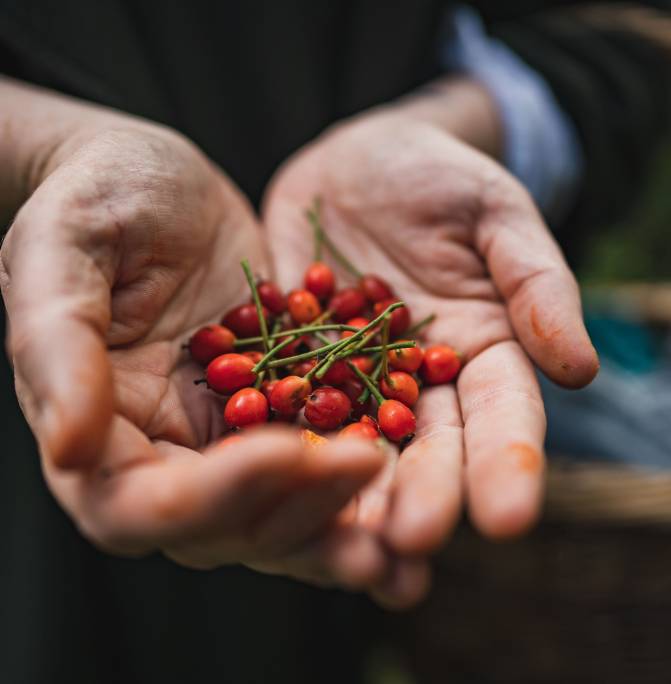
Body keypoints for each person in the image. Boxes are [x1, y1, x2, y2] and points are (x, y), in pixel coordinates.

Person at [0, 2, 668, 683]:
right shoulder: (292, 365)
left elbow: (621, 38)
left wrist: (473, 120)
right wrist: (40, 148)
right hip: (76, 412)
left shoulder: (329, 368)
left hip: (320, 560)